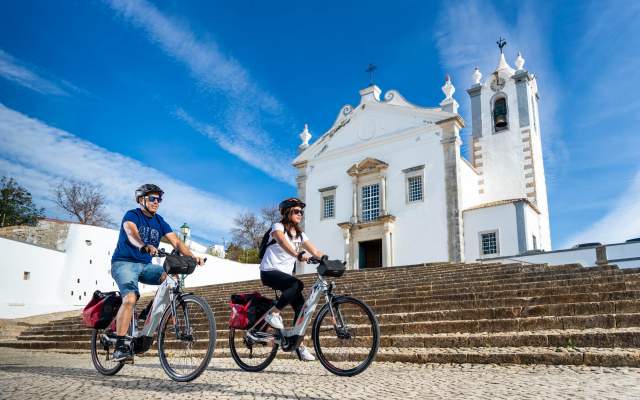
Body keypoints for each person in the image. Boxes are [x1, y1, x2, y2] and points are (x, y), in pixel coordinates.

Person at [110, 184, 204, 362]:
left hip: (145, 267)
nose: (156, 202)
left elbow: (176, 242)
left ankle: (147, 313)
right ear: (141, 200)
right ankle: (119, 346)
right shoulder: (132, 215)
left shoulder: (159, 221)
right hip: (124, 263)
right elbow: (131, 233)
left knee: (170, 278)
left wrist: (193, 257)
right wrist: (144, 245)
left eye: (159, 199)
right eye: (152, 198)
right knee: (130, 298)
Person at [260, 197, 324, 361]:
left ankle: (298, 345)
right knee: (297, 284)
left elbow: (316, 251)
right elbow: (281, 241)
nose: (300, 214)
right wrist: (297, 254)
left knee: (302, 309)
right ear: (287, 212)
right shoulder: (277, 227)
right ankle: (273, 314)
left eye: (301, 212)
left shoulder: (300, 235)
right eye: (296, 211)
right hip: (269, 271)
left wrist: (328, 260)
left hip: (285, 278)